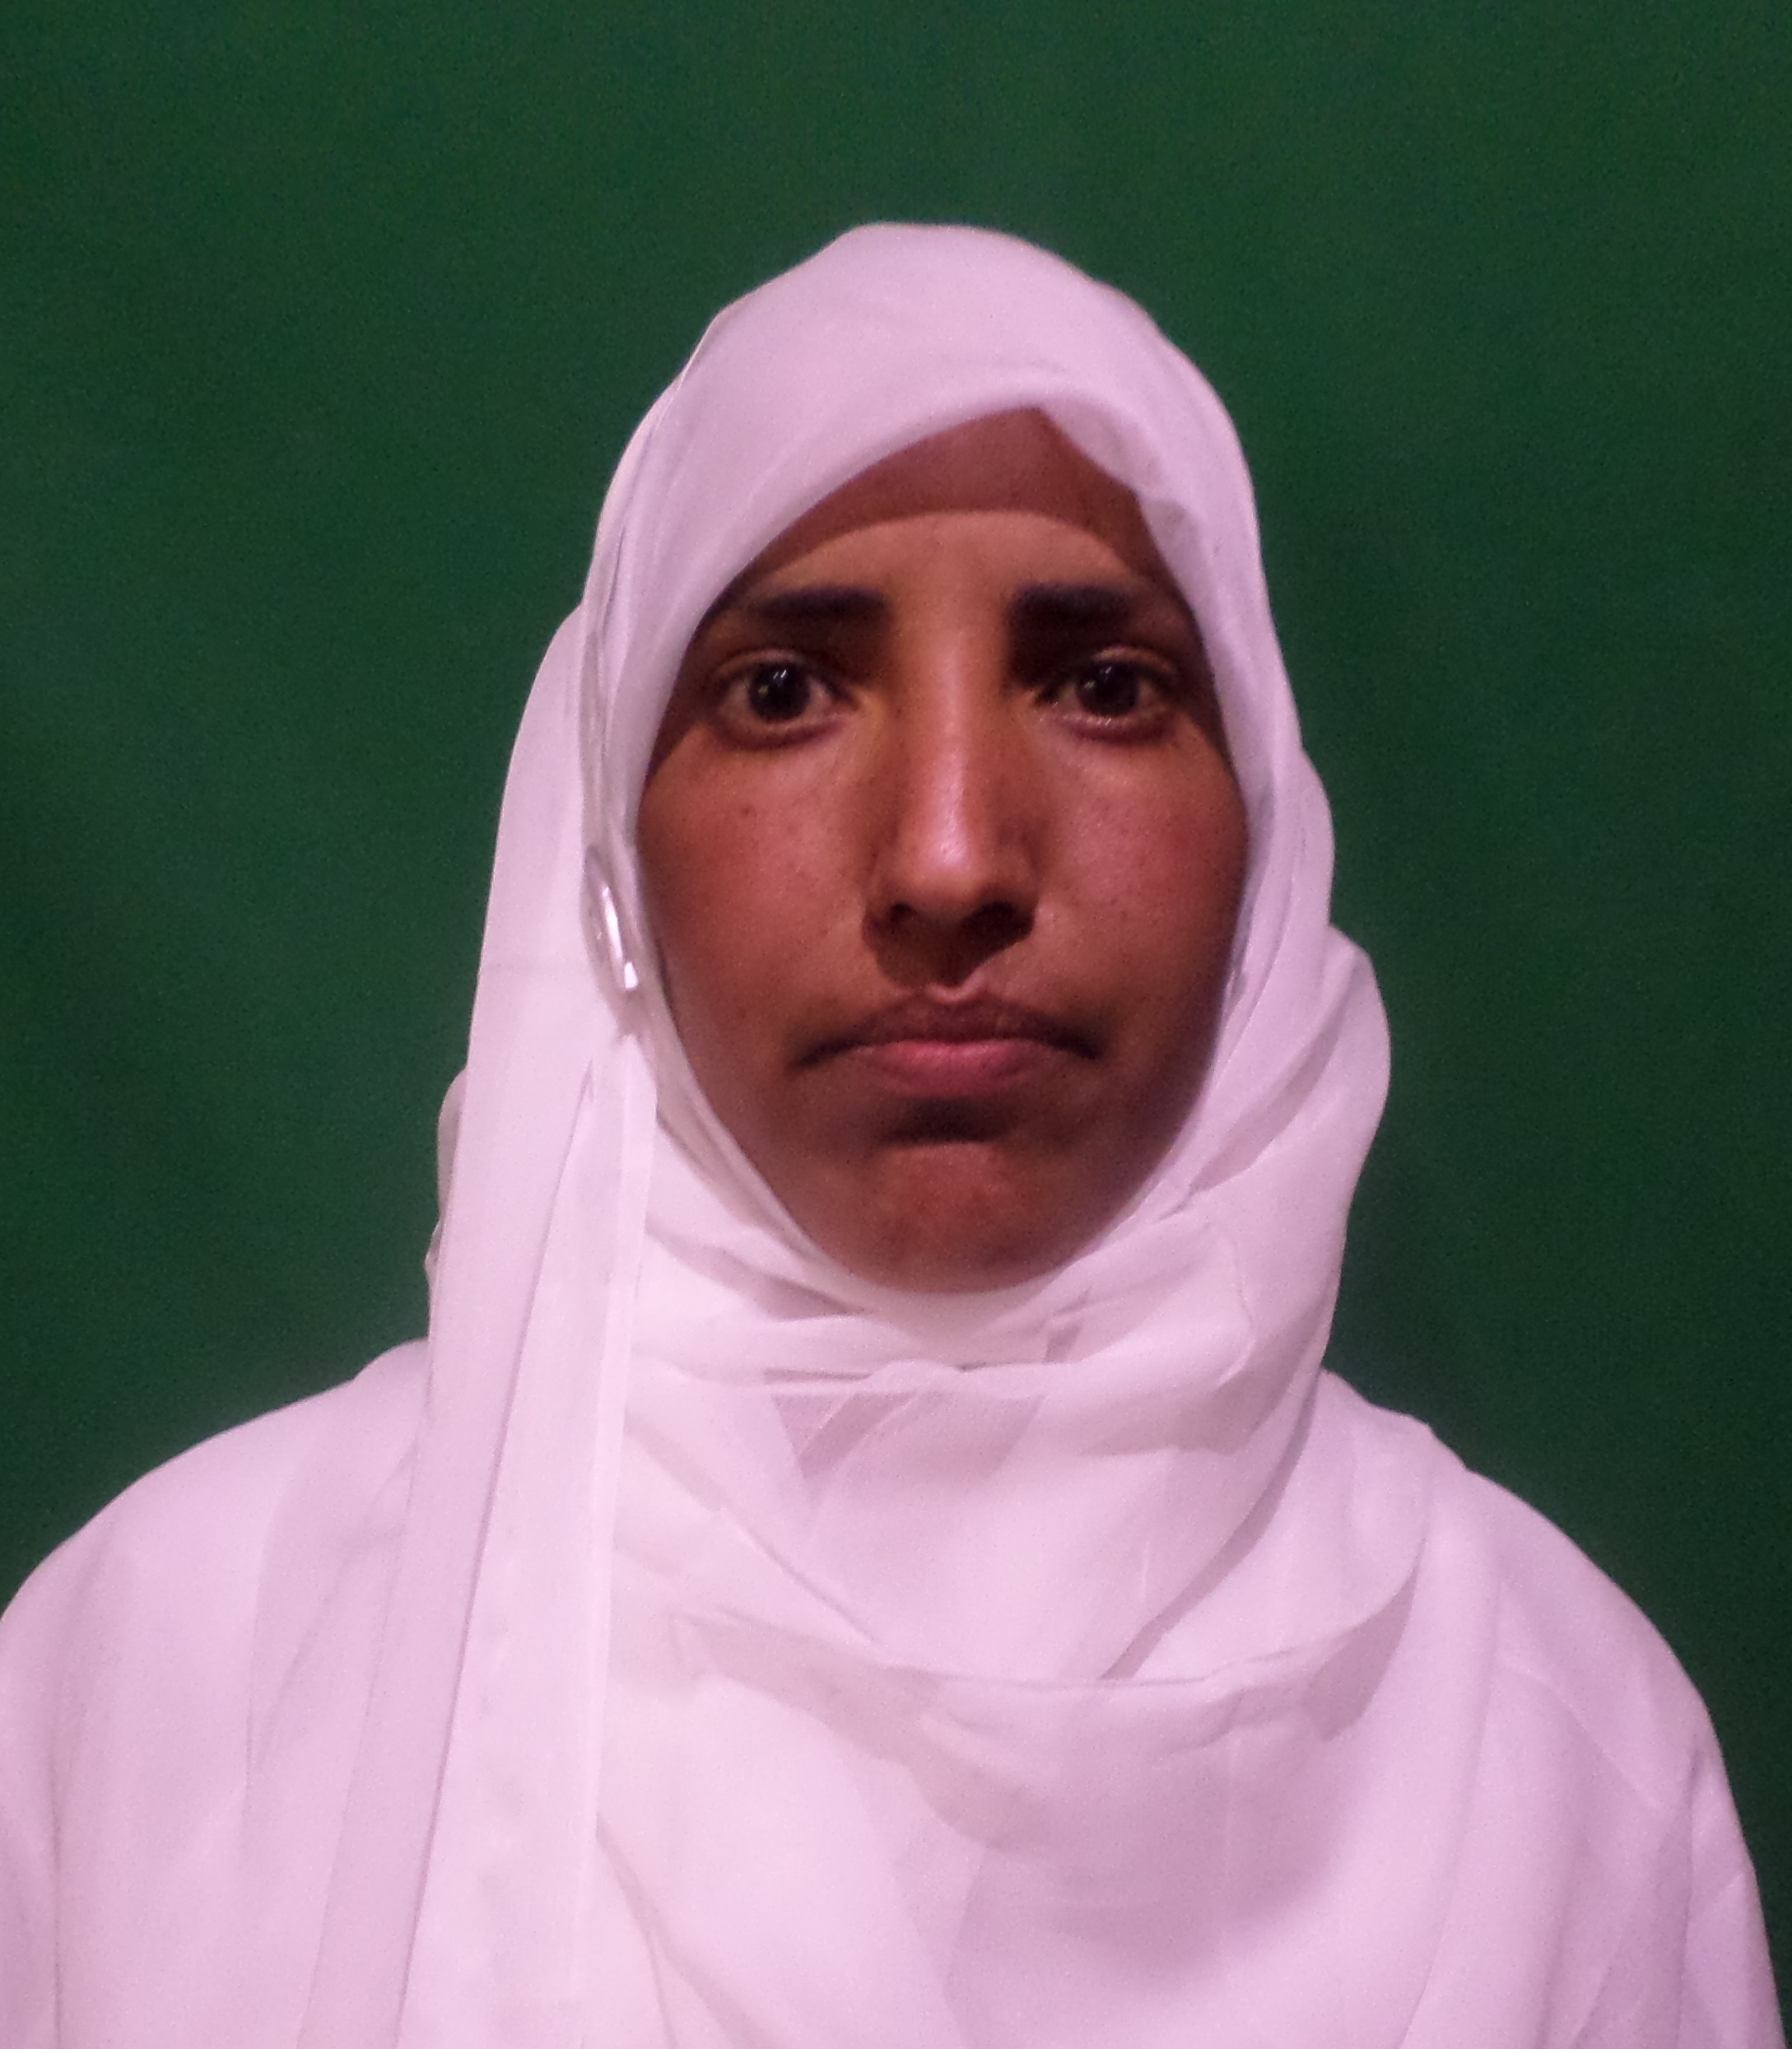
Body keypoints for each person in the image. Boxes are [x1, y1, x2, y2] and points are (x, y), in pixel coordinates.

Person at [0, 225, 1778, 2049]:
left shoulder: (1553, 1741)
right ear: (611, 840)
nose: (948, 857)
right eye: (782, 691)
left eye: (1104, 685)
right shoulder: (161, 1670)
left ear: (1263, 821)